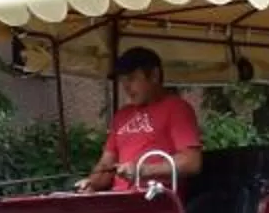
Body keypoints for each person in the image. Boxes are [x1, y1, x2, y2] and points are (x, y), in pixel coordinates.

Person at [81, 46, 203, 193]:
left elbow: (191, 162)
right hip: (119, 199)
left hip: (157, 199)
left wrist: (143, 170)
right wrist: (92, 183)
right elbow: (107, 163)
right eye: (123, 80)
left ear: (154, 76)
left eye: (132, 79)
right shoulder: (122, 115)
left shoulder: (177, 108)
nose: (126, 87)